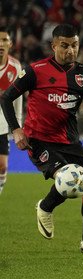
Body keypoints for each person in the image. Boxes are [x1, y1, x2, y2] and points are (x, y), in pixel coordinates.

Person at [0, 24, 83, 253]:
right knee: (71, 179)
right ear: (54, 46)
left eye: (74, 45)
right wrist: (16, 129)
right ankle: (45, 206)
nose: (70, 50)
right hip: (39, 139)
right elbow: (6, 98)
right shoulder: (35, 70)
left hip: (70, 140)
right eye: (64, 46)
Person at [0, 27, 23, 195]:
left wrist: (18, 127)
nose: (1, 44)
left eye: (4, 40)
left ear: (10, 44)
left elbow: (18, 98)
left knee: (3, 166)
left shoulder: (15, 67)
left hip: (1, 125)